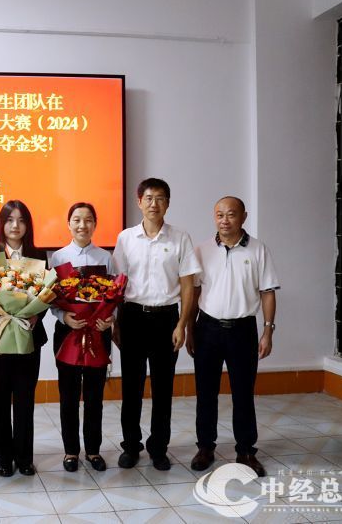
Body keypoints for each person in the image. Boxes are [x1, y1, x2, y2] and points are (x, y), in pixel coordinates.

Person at [112, 178, 201, 471]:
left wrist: (183, 324)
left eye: (160, 198)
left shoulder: (180, 238)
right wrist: (115, 322)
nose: (154, 204)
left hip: (166, 319)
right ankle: (131, 445)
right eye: (148, 198)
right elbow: (116, 285)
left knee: (163, 389)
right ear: (139, 202)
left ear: (168, 203)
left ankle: (159, 447)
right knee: (132, 388)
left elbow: (188, 285)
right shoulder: (125, 238)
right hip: (133, 317)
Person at [186, 196, 279, 477]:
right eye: (219, 215)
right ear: (213, 217)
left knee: (243, 393)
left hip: (243, 331)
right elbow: (194, 293)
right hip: (207, 329)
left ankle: (246, 451)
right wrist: (190, 329)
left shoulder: (258, 250)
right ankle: (205, 447)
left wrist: (268, 330)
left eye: (231, 214)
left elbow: (268, 292)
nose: (224, 220)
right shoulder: (202, 250)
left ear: (243, 216)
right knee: (206, 392)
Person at [0, 200, 47, 477]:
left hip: (28, 335)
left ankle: (24, 457)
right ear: (1, 224)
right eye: (10, 220)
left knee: (25, 398)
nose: (15, 225)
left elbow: (46, 296)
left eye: (21, 220)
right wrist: (0, 317)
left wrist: (36, 316)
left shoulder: (39, 255)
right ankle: (3, 458)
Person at [50, 202, 115, 473]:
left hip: (98, 332)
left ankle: (93, 450)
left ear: (95, 224)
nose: (82, 225)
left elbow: (115, 294)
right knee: (68, 395)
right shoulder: (57, 258)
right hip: (68, 332)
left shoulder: (106, 257)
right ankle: (70, 451)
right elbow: (50, 298)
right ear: (68, 224)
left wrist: (108, 319)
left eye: (88, 220)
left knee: (94, 395)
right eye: (76, 219)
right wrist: (64, 317)